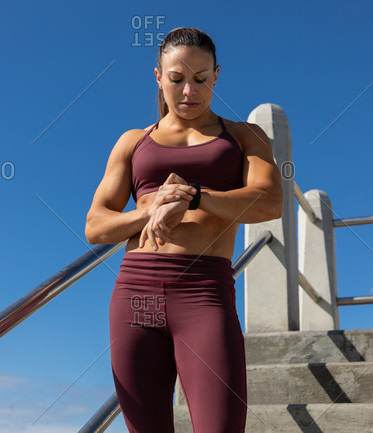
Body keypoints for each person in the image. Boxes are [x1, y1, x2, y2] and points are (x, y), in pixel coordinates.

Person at [85, 27, 283, 433]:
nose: (189, 91)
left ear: (217, 76)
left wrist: (193, 196)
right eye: (176, 79)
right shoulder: (133, 142)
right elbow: (96, 226)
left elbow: (269, 202)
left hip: (204, 294)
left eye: (201, 79)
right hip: (135, 294)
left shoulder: (244, 137)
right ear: (158, 76)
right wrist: (152, 210)